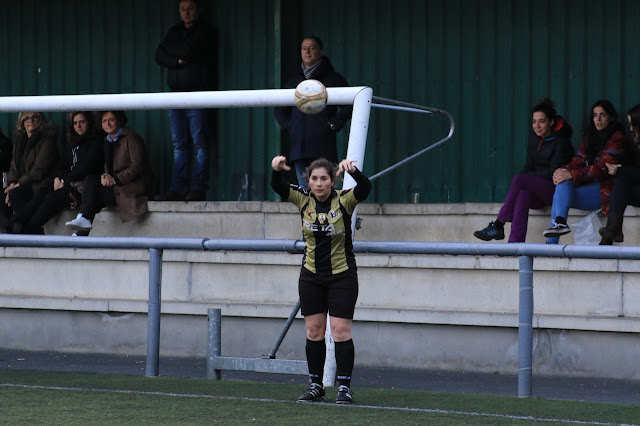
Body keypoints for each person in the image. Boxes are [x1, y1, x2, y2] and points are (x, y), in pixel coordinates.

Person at [270, 154, 371, 404]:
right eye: (314, 179)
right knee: (314, 331)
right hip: (311, 277)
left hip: (342, 276)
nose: (318, 183)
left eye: (324, 179)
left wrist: (355, 172)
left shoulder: (344, 200)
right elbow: (278, 187)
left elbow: (366, 188)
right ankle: (316, 385)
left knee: (340, 331)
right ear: (309, 181)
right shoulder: (303, 200)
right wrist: (277, 170)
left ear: (332, 180)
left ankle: (344, 388)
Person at [473, 98, 575, 242]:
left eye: (542, 121)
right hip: (537, 191)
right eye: (534, 121)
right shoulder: (533, 138)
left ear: (551, 122)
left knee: (520, 180)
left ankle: (498, 224)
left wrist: (527, 178)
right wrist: (527, 178)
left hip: (555, 190)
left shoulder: (561, 141)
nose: (537, 126)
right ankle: (515, 244)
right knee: (523, 194)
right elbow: (528, 167)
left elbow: (553, 172)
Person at [543, 100, 633, 243]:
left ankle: (551, 242)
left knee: (564, 185)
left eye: (602, 115)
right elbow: (579, 159)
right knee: (562, 185)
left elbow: (603, 168)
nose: (598, 119)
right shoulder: (590, 137)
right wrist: (563, 170)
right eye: (595, 115)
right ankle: (557, 227)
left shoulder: (617, 138)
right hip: (588, 188)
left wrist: (572, 174)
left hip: (606, 192)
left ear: (610, 117)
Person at [154, 0, 215, 202]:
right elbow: (159, 55)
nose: (186, 13)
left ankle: (198, 188)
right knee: (179, 144)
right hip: (175, 95)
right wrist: (177, 60)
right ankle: (178, 188)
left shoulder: (205, 30)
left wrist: (174, 55)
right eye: (182, 9)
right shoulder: (174, 31)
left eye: (190, 9)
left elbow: (191, 51)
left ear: (198, 10)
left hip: (197, 94)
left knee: (199, 143)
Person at [8, 112, 104, 234]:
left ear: (89, 123)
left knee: (51, 198)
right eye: (75, 123)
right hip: (65, 182)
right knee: (41, 190)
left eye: (82, 122)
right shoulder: (73, 142)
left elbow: (86, 167)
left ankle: (26, 229)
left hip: (80, 186)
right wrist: (58, 177)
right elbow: (62, 164)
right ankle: (19, 223)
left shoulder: (95, 142)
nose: (78, 126)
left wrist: (64, 180)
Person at [275, 36, 352, 188]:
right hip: (300, 149)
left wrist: (333, 124)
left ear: (320, 51)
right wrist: (291, 127)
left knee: (327, 195)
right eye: (304, 48)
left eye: (312, 48)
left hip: (324, 148)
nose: (307, 52)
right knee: (307, 197)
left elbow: (350, 104)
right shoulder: (293, 81)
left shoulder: (333, 79)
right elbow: (279, 109)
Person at [65, 111, 151, 234]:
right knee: (91, 182)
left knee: (91, 195)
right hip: (116, 186)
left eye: (111, 119)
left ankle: (81, 231)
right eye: (104, 121)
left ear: (119, 121)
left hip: (130, 187)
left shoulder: (131, 138)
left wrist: (115, 179)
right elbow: (108, 166)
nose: (107, 123)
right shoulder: (107, 140)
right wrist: (106, 176)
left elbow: (137, 166)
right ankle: (82, 223)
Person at [598, 104, 640, 244]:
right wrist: (619, 166)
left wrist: (620, 170)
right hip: (634, 189)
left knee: (622, 180)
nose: (630, 128)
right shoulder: (635, 141)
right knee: (622, 183)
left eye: (632, 124)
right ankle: (612, 230)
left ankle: (612, 231)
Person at [4, 112, 58, 215]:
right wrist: (12, 183)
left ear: (40, 120)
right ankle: (7, 227)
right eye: (27, 118)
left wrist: (17, 186)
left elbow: (39, 170)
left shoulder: (47, 140)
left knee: (15, 194)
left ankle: (21, 227)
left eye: (35, 117)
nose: (31, 121)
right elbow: (13, 166)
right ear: (22, 122)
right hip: (22, 184)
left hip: (39, 185)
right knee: (3, 194)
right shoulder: (19, 141)